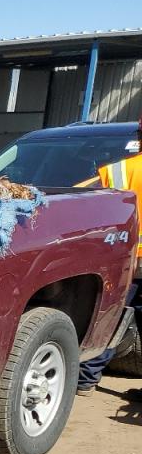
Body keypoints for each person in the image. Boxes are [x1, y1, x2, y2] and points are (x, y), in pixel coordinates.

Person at [78, 149, 142, 396]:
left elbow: (96, 213)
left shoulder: (117, 171)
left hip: (125, 255)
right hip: (128, 255)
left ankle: (85, 379)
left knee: (109, 315)